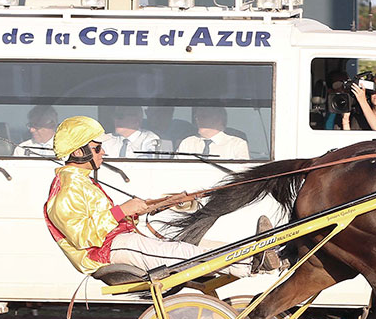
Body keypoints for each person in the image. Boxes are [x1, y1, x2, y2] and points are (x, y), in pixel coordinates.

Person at [44, 116, 274, 277]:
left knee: (194, 243)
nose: (103, 152)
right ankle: (251, 262)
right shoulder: (67, 187)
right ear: (77, 152)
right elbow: (82, 236)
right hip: (102, 253)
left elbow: (107, 220)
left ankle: (262, 255)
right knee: (181, 252)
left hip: (118, 241)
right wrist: (123, 210)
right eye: (97, 148)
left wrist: (162, 203)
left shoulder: (82, 182)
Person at [177, 106, 249, 160]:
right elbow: (176, 169)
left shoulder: (237, 144)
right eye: (196, 116)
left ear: (219, 119)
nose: (197, 120)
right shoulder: (187, 143)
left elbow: (242, 172)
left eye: (203, 116)